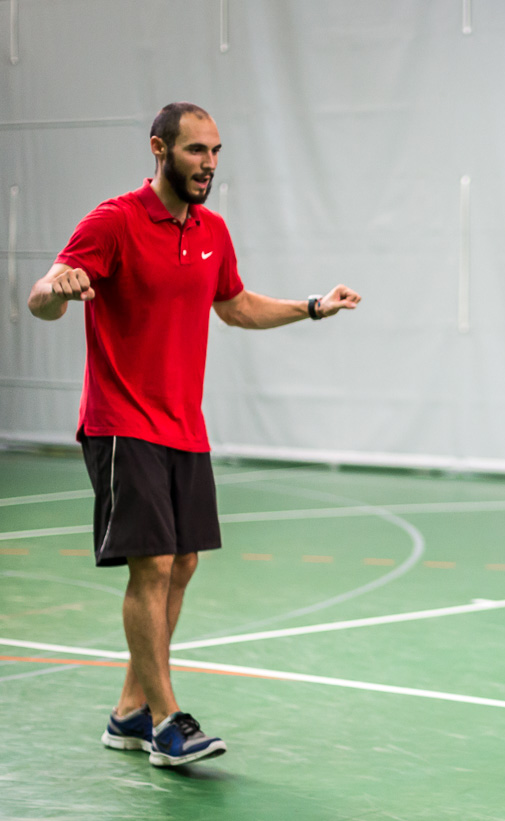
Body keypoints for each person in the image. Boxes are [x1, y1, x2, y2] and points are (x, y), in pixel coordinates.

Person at [28, 102, 362, 769]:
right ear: (159, 149)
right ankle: (165, 721)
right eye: (195, 151)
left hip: (184, 424)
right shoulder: (114, 221)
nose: (209, 164)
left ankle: (128, 711)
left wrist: (312, 307)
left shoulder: (213, 231)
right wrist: (58, 289)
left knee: (182, 564)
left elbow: (235, 306)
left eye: (215, 152)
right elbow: (42, 299)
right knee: (152, 564)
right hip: (121, 422)